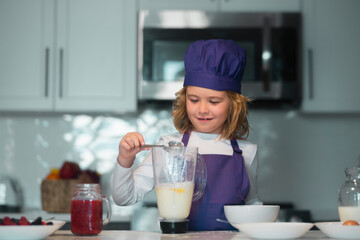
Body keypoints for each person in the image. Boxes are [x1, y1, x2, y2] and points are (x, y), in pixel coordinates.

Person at [112, 39, 262, 231]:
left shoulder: (246, 152)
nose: (202, 109)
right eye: (193, 99)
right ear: (184, 100)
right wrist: (125, 159)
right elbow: (124, 197)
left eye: (214, 101)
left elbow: (252, 204)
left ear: (234, 104)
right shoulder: (170, 146)